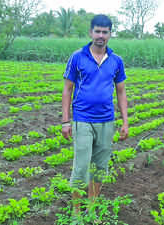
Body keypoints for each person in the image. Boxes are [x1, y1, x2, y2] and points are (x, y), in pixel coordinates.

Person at [61, 14, 129, 216]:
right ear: (91, 32)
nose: (100, 35)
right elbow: (67, 89)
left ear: (110, 34)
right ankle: (75, 212)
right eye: (97, 31)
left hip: (107, 120)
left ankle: (91, 208)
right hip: (82, 119)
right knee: (81, 166)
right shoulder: (77, 57)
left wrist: (125, 121)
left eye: (105, 32)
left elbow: (121, 91)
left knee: (99, 168)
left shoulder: (116, 61)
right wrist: (66, 121)